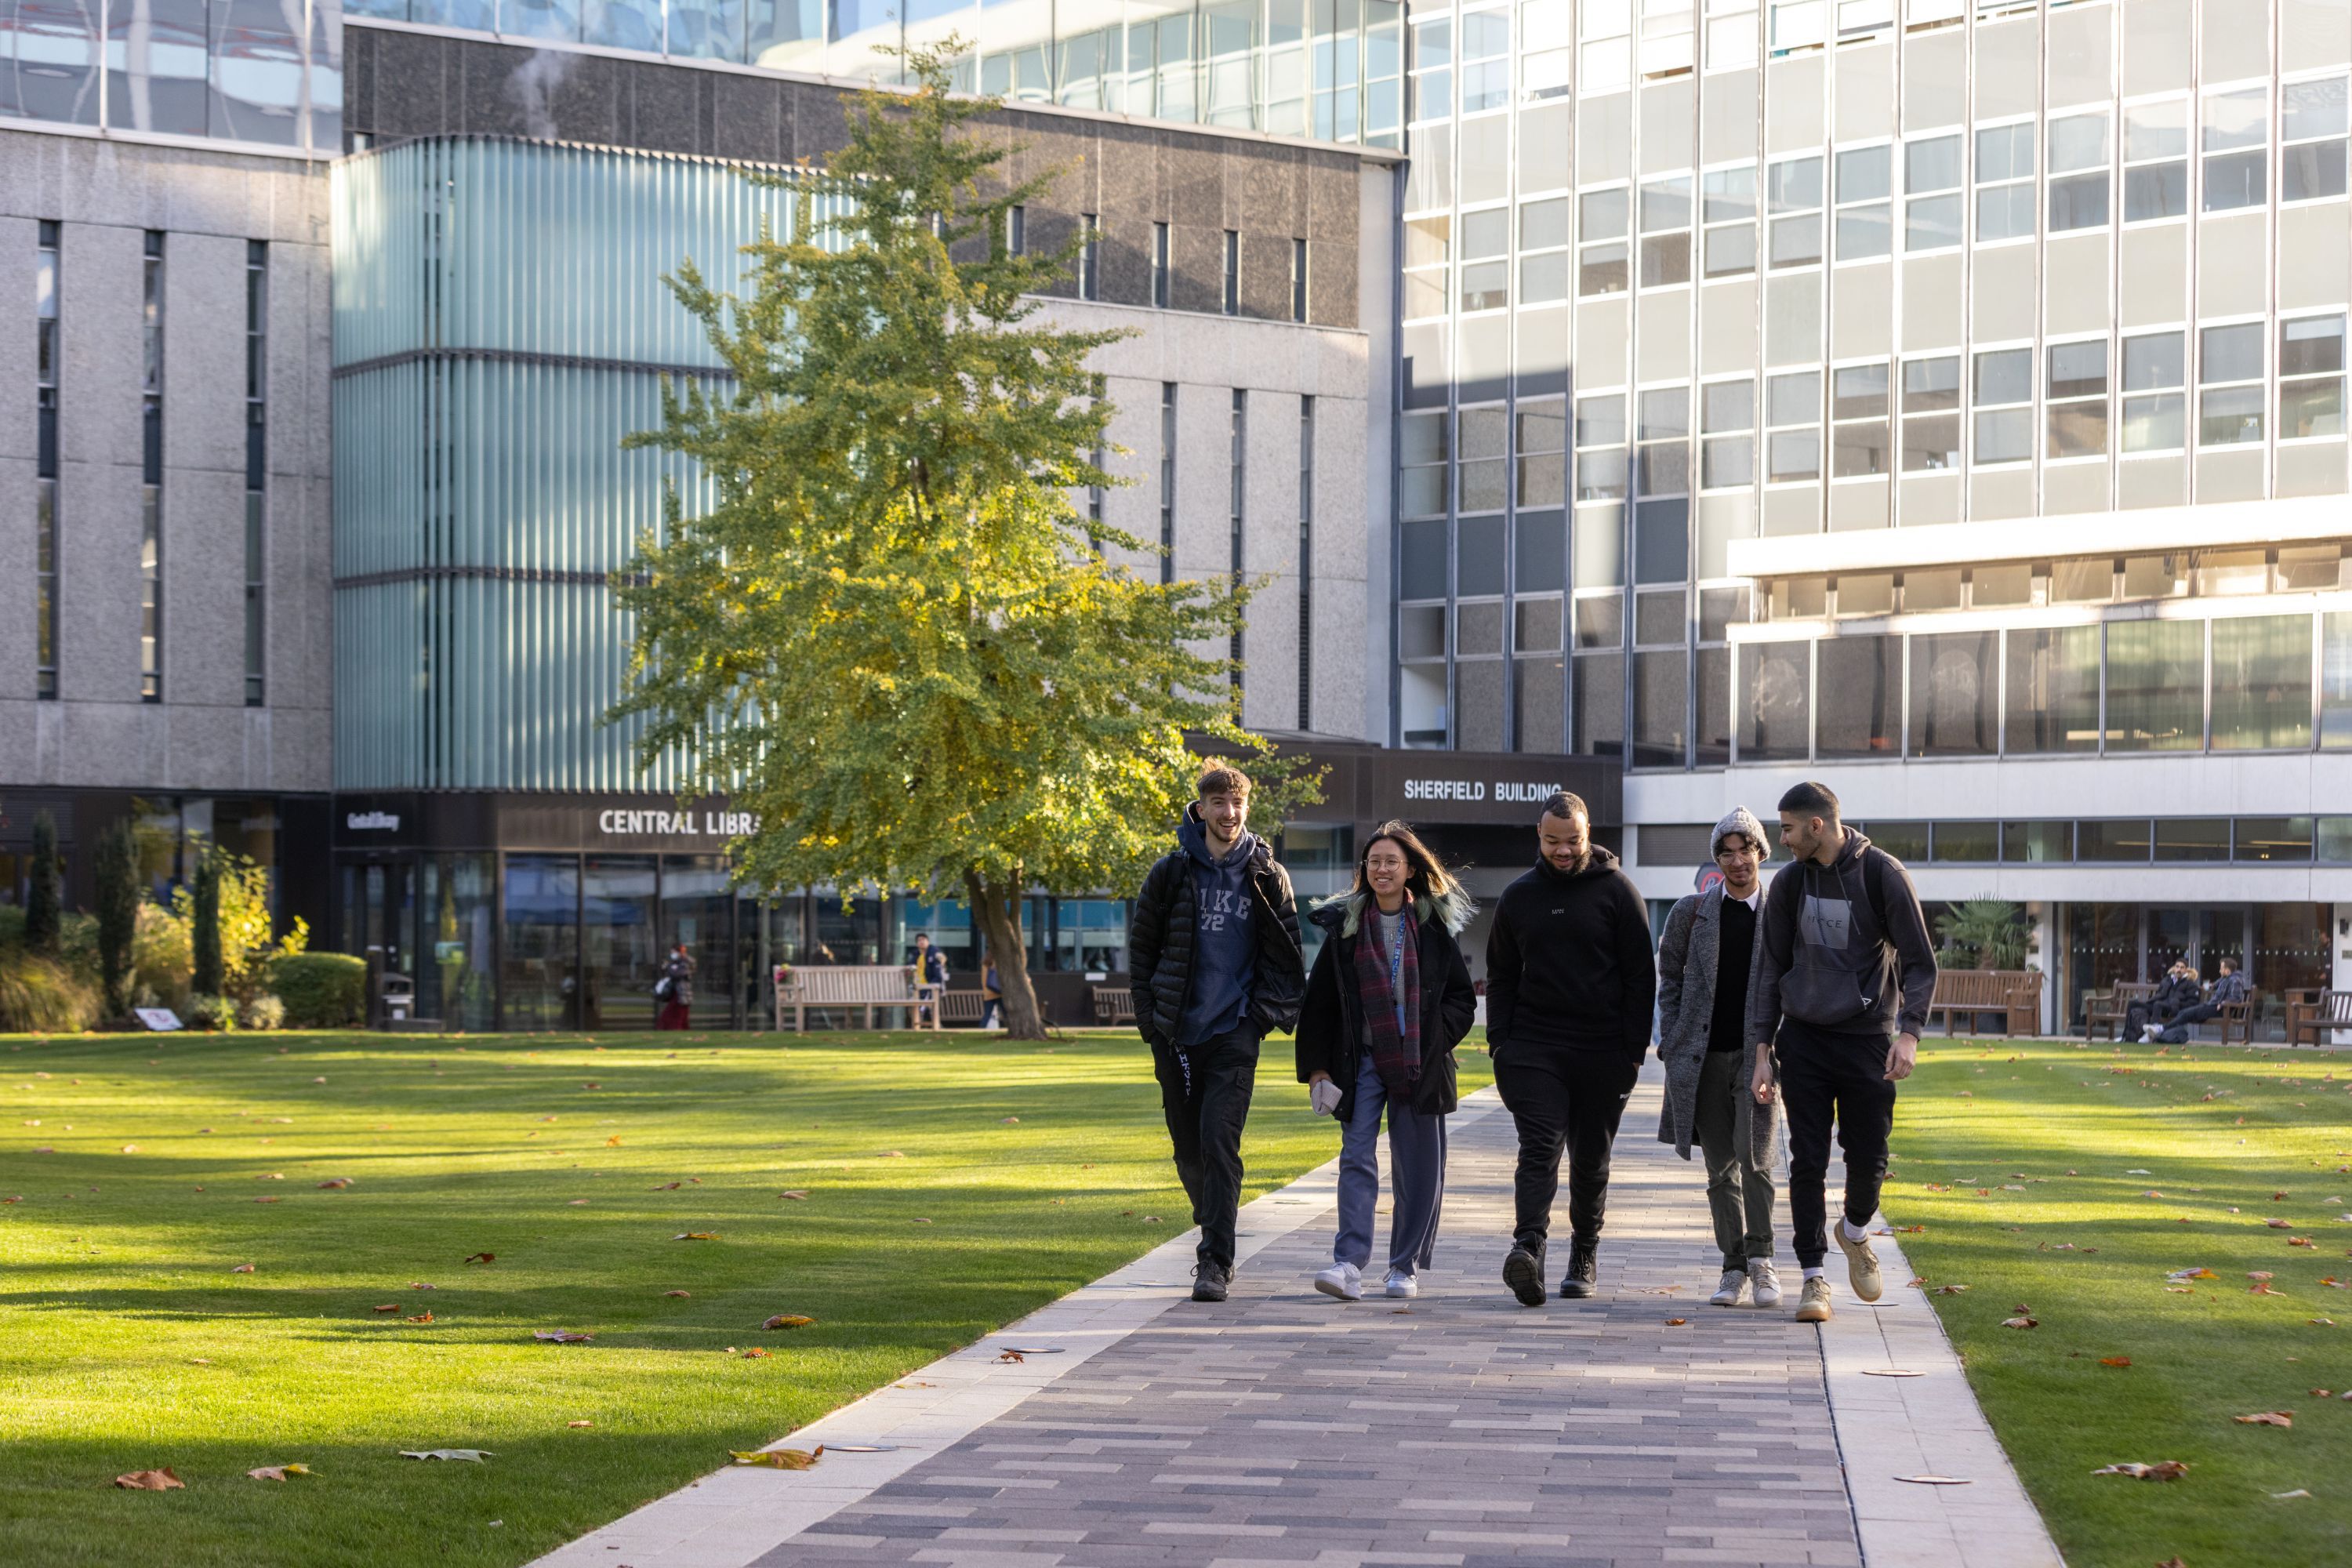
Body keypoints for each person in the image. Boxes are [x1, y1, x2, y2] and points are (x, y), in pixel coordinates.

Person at [1748, 781, 1938, 1324]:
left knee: (1869, 1156)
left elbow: (1921, 962)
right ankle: (1813, 1279)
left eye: (1786, 828)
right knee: (1806, 1160)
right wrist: (1764, 1050)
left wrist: (1909, 1034)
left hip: (1866, 1037)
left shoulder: (1881, 874)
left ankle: (1854, 1231)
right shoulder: (1787, 886)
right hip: (1804, 1038)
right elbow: (1770, 970)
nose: (1779, 839)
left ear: (1816, 826)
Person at [1129, 764, 1305, 1303]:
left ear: (1245, 809)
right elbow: (1142, 950)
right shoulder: (1170, 872)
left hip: (1235, 1031)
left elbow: (1289, 954)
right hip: (1178, 1035)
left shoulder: (1267, 874)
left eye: (1237, 804)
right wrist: (1152, 1025)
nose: (1229, 814)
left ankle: (1215, 1260)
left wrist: (1259, 1019)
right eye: (1219, 804)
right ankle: (1213, 1223)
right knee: (1189, 1152)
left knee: (1219, 1145)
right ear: (1200, 809)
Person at [1295, 822, 1478, 1302]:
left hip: (1420, 1063)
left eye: (1391, 861)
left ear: (1410, 869)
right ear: (1365, 870)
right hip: (1362, 1062)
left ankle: (1404, 1266)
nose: (1381, 869)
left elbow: (1461, 999)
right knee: (1356, 1156)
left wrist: (1435, 1040)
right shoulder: (1345, 928)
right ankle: (1348, 1263)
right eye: (1373, 862)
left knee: (1417, 1166)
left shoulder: (1433, 926)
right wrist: (1318, 1069)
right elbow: (1319, 1005)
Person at [1488, 790, 1657, 1307]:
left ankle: (1584, 1252)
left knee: (1590, 1159)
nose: (1563, 851)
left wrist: (1633, 1050)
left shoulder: (1618, 893)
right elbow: (1501, 976)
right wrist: (1501, 1043)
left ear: (1588, 837)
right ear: (1539, 838)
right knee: (1540, 1146)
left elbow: (1639, 977)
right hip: (1535, 1047)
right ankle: (1529, 1249)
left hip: (1604, 1050)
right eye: (1552, 841)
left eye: (1573, 841)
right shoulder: (1518, 897)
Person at [1656, 807, 1783, 1310]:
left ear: (1760, 853)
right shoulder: (1691, 912)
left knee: (1756, 1159)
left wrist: (1774, 1054)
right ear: (1717, 860)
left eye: (1745, 850)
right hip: (1701, 1059)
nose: (1737, 862)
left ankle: (1763, 1261)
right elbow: (1669, 978)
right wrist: (1672, 1035)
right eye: (1727, 853)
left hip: (1758, 1058)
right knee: (1719, 1169)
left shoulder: (1778, 913)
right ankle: (1733, 1269)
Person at [2152, 957, 2248, 1044]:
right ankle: (2163, 1031)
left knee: (2186, 1014)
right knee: (2184, 1012)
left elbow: (2236, 998)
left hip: (2221, 1010)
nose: (2219, 970)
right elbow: (2213, 985)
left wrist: (2222, 1004)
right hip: (2212, 1006)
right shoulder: (2225, 978)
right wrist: (2203, 987)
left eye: (2221, 968)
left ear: (2227, 971)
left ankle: (2161, 1029)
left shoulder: (2235, 980)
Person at [2129, 961, 2201, 1040]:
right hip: (2158, 1006)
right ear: (2174, 968)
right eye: (2177, 967)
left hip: (2173, 1009)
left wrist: (2178, 1004)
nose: (2179, 969)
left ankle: (2150, 1036)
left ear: (2186, 970)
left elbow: (2193, 1003)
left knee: (2158, 1004)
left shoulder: (2190, 984)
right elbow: (2160, 994)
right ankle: (2126, 1036)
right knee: (2132, 1004)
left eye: (2182, 967)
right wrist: (2151, 1001)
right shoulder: (2167, 980)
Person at [907, 931, 948, 1026]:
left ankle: (934, 1025)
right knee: (914, 1003)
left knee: (927, 1006)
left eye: (923, 940)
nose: (921, 942)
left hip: (932, 986)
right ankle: (918, 1024)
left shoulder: (934, 952)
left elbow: (941, 959)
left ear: (928, 941)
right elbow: (910, 969)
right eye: (919, 940)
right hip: (918, 986)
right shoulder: (915, 955)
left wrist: (942, 959)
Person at [655, 940, 695, 1030]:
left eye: (673, 952)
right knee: (681, 1017)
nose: (672, 954)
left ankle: (675, 1030)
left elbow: (678, 973)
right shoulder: (676, 963)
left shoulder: (687, 962)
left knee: (673, 1016)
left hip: (682, 994)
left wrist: (669, 967)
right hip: (677, 993)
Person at [979, 955, 1003, 1031]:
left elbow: (984, 980)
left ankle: (981, 1029)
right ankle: (1012, 1028)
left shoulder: (984, 965)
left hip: (988, 994)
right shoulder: (997, 964)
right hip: (998, 993)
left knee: (987, 1014)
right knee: (1006, 1013)